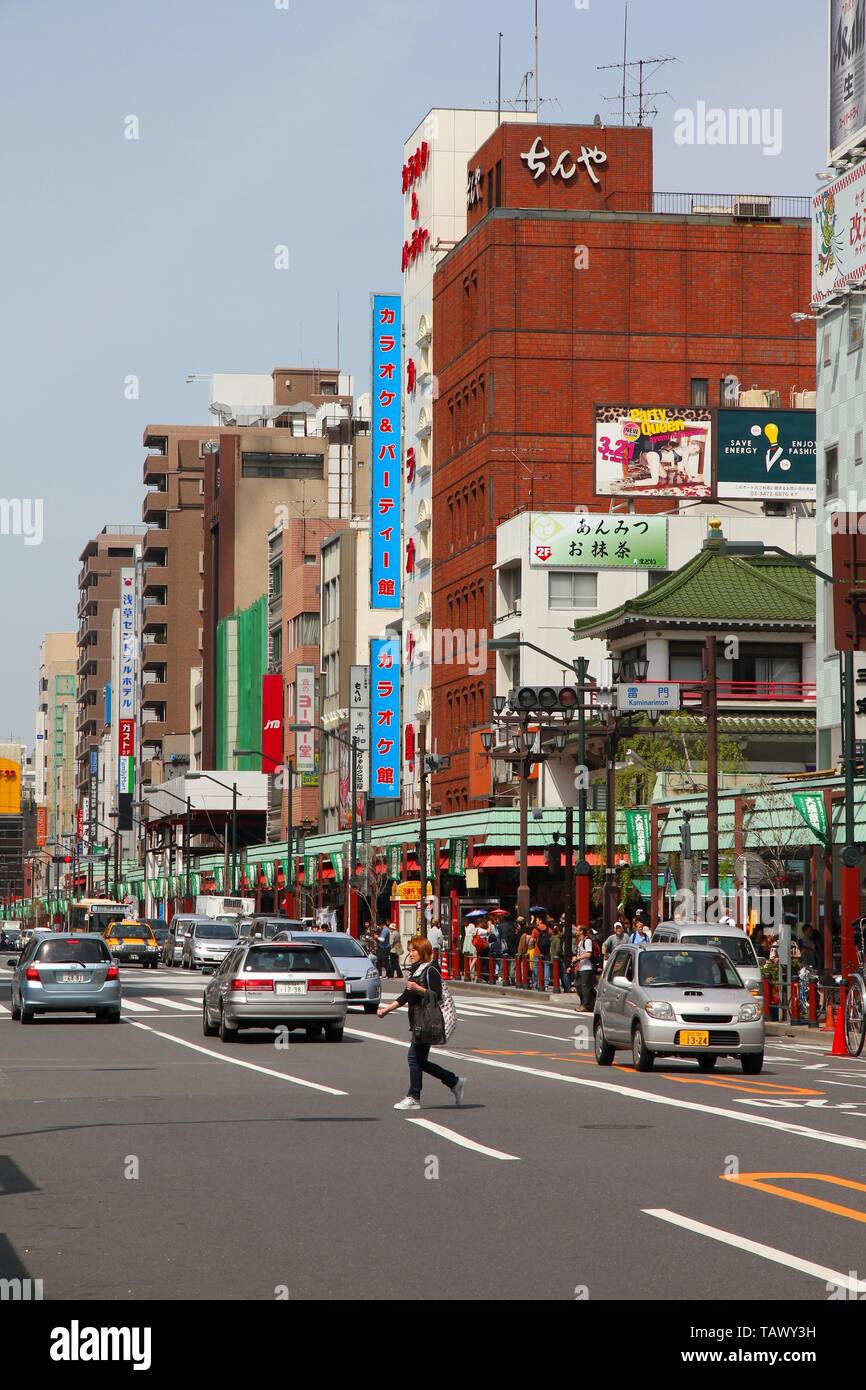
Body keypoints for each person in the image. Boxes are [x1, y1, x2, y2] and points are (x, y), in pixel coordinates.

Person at [378, 935, 466, 1111]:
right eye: (410, 950)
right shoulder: (416, 971)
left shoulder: (430, 970)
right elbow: (406, 996)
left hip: (426, 1021)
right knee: (419, 1060)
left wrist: (418, 988)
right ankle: (453, 1081)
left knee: (414, 1058)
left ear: (423, 951)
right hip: (419, 1020)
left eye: (414, 950)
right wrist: (387, 1009)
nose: (410, 954)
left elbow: (437, 994)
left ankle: (414, 1096)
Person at [575, 926, 596, 1012]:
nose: (576, 931)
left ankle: (586, 1005)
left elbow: (588, 954)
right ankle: (583, 1003)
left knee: (585, 988)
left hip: (587, 968)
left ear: (581, 931)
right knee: (578, 986)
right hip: (581, 967)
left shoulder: (587, 941)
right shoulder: (580, 942)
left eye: (577, 930)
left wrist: (578, 958)